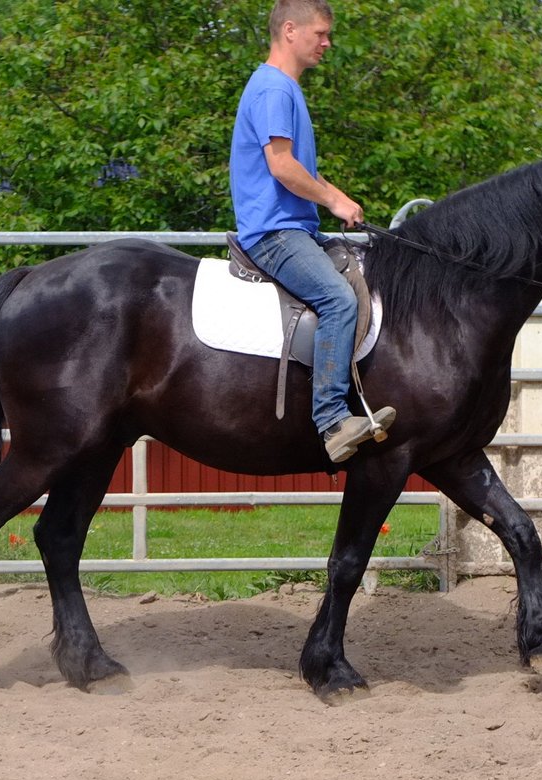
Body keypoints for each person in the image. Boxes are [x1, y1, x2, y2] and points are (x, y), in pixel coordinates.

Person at [230, 0, 395, 464]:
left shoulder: (285, 89)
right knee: (338, 300)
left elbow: (298, 168)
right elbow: (280, 166)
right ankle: (332, 421)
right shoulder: (273, 91)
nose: (327, 43)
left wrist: (336, 195)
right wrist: (332, 201)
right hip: (274, 233)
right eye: (320, 34)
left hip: (295, 227)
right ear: (289, 31)